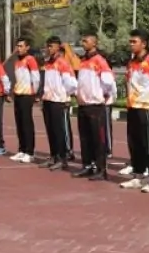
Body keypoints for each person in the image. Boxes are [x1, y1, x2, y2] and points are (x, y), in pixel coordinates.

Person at [120, 29, 149, 193]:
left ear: (144, 44)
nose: (131, 44)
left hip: (146, 107)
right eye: (130, 41)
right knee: (134, 143)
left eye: (134, 42)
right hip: (133, 107)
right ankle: (138, 176)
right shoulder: (131, 63)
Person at [72, 34, 116, 180]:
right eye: (82, 40)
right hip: (83, 104)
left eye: (86, 41)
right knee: (85, 138)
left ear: (94, 43)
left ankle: (101, 168)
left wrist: (101, 95)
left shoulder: (100, 61)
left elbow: (108, 82)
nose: (83, 43)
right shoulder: (83, 60)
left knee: (98, 139)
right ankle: (87, 165)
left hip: (95, 105)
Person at [39, 36, 78, 171]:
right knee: (50, 131)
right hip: (48, 100)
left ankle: (62, 158)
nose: (49, 49)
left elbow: (72, 84)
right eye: (47, 46)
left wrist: (64, 95)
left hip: (58, 102)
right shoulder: (48, 63)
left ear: (58, 47)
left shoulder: (63, 63)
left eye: (51, 46)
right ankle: (53, 156)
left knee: (59, 131)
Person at [10, 38, 40, 163]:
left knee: (27, 123)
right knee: (19, 123)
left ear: (27, 47)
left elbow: (36, 78)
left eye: (21, 46)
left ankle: (30, 152)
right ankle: (21, 150)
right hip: (18, 94)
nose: (19, 48)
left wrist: (34, 93)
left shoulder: (31, 60)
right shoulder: (17, 62)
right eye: (17, 46)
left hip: (27, 95)